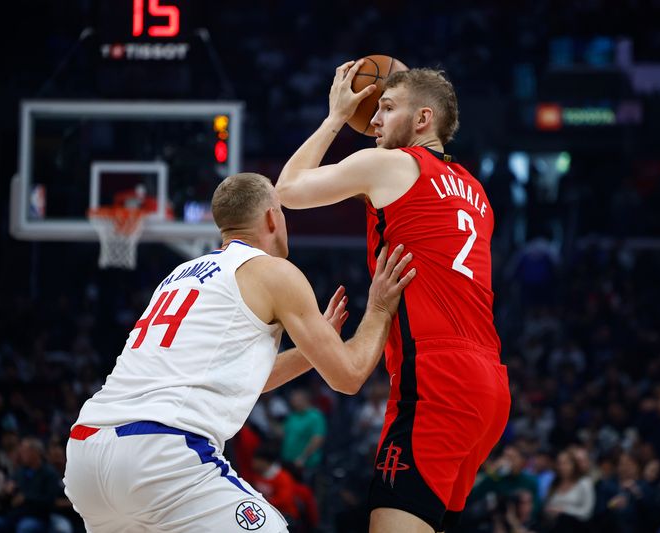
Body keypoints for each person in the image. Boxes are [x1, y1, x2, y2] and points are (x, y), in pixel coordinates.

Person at [63, 172, 415, 533]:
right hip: (158, 451)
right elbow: (351, 375)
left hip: (86, 453)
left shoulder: (180, 274)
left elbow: (240, 380)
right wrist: (379, 310)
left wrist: (314, 350)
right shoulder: (273, 272)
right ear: (271, 217)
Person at [277, 61, 511, 532]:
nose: (374, 119)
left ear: (423, 119)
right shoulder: (476, 192)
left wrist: (335, 118)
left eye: (386, 106)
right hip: (490, 382)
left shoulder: (392, 164)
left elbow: (287, 191)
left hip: (436, 379)